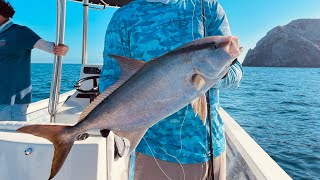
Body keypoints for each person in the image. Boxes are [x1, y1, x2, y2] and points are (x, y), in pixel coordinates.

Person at [99, 0, 243, 179]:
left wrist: (210, 75)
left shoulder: (208, 7)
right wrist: (112, 118)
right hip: (154, 154)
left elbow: (236, 73)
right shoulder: (124, 17)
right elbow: (109, 79)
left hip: (210, 149)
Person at [0, 0, 69, 121]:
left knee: (13, 138)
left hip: (11, 103)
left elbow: (50, 47)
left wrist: (63, 48)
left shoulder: (20, 32)